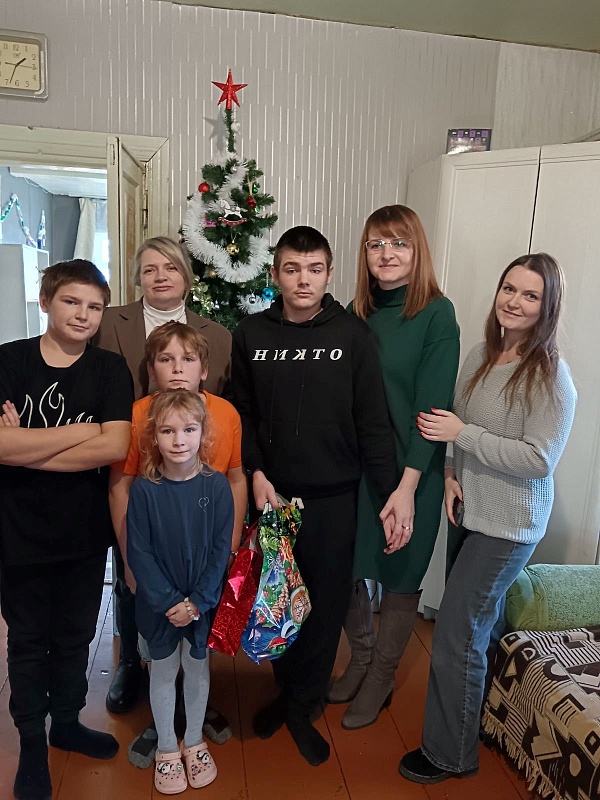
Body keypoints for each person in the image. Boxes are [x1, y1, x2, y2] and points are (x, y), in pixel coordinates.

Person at [399, 253, 577, 784]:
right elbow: (457, 421)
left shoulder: (550, 376)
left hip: (509, 525)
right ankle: (486, 719)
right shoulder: (482, 353)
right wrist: (451, 471)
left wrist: (463, 437)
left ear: (547, 307)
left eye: (530, 295)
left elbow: (539, 459)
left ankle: (450, 754)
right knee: (482, 627)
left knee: (457, 633)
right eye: (509, 288)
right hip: (469, 509)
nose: (514, 301)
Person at [232, 225, 400, 767]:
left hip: (333, 498)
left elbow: (372, 423)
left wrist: (392, 497)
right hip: (273, 495)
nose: (302, 280)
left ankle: (304, 705)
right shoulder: (251, 333)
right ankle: (286, 690)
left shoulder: (353, 336)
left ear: (329, 273)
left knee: (323, 608)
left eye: (314, 269)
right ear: (275, 274)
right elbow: (243, 414)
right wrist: (255, 472)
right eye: (291, 269)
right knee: (279, 598)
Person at [0, 260, 133, 800]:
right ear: (46, 302)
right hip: (18, 531)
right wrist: (83, 432)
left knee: (76, 635)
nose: (83, 315)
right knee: (29, 641)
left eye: (94, 307)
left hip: (83, 532)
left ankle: (68, 723)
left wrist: (25, 447)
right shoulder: (9, 360)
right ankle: (33, 742)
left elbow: (116, 446)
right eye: (71, 302)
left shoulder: (109, 370)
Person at [328, 204, 460, 730]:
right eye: (376, 244)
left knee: (401, 571)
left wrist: (406, 489)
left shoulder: (436, 314)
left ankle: (382, 676)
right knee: (349, 564)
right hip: (358, 469)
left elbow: (432, 410)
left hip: (413, 471)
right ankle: (361, 658)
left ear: (416, 250)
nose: (387, 253)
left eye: (399, 243)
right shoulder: (355, 314)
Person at [94, 235, 232, 722]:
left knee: (194, 583)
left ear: (186, 276)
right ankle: (132, 663)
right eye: (150, 268)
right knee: (135, 579)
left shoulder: (215, 334)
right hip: (137, 464)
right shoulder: (111, 322)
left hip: (195, 483)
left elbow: (223, 427)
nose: (160, 276)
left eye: (171, 266)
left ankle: (193, 686)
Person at [109, 320, 247, 766]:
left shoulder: (224, 417)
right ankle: (166, 735)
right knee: (162, 660)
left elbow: (234, 478)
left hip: (203, 569)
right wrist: (131, 564)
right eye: (166, 359)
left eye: (187, 359)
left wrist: (227, 556)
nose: (177, 369)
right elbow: (123, 488)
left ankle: (194, 728)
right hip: (158, 569)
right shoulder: (138, 418)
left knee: (198, 660)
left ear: (204, 368)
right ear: (151, 368)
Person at [127, 389, 233, 794]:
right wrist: (170, 602)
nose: (179, 440)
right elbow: (139, 553)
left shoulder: (217, 487)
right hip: (160, 608)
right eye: (168, 431)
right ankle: (168, 748)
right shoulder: (144, 491)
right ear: (154, 437)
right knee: (163, 671)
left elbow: (220, 551)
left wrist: (197, 603)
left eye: (188, 429)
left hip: (200, 607)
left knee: (197, 670)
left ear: (203, 432)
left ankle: (193, 740)